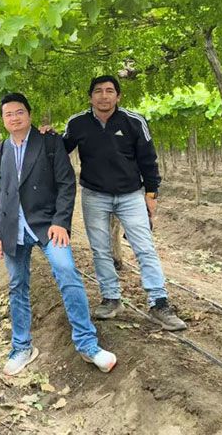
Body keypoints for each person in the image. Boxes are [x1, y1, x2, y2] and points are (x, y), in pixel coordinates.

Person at [0, 93, 116, 376]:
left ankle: (87, 345)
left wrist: (61, 221)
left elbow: (66, 183)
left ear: (29, 115)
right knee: (17, 286)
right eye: (8, 114)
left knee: (67, 273)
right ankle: (22, 347)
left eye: (19, 112)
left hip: (46, 224)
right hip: (13, 228)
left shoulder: (49, 142)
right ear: (3, 120)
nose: (14, 118)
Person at [63, 75, 186, 330]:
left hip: (130, 195)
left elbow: (148, 159)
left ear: (118, 96)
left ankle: (159, 302)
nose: (104, 96)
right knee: (100, 249)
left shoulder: (134, 121)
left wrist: (151, 194)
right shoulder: (77, 123)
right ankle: (111, 298)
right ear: (90, 97)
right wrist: (44, 137)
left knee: (144, 247)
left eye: (109, 91)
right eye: (98, 91)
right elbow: (59, 148)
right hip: (94, 195)